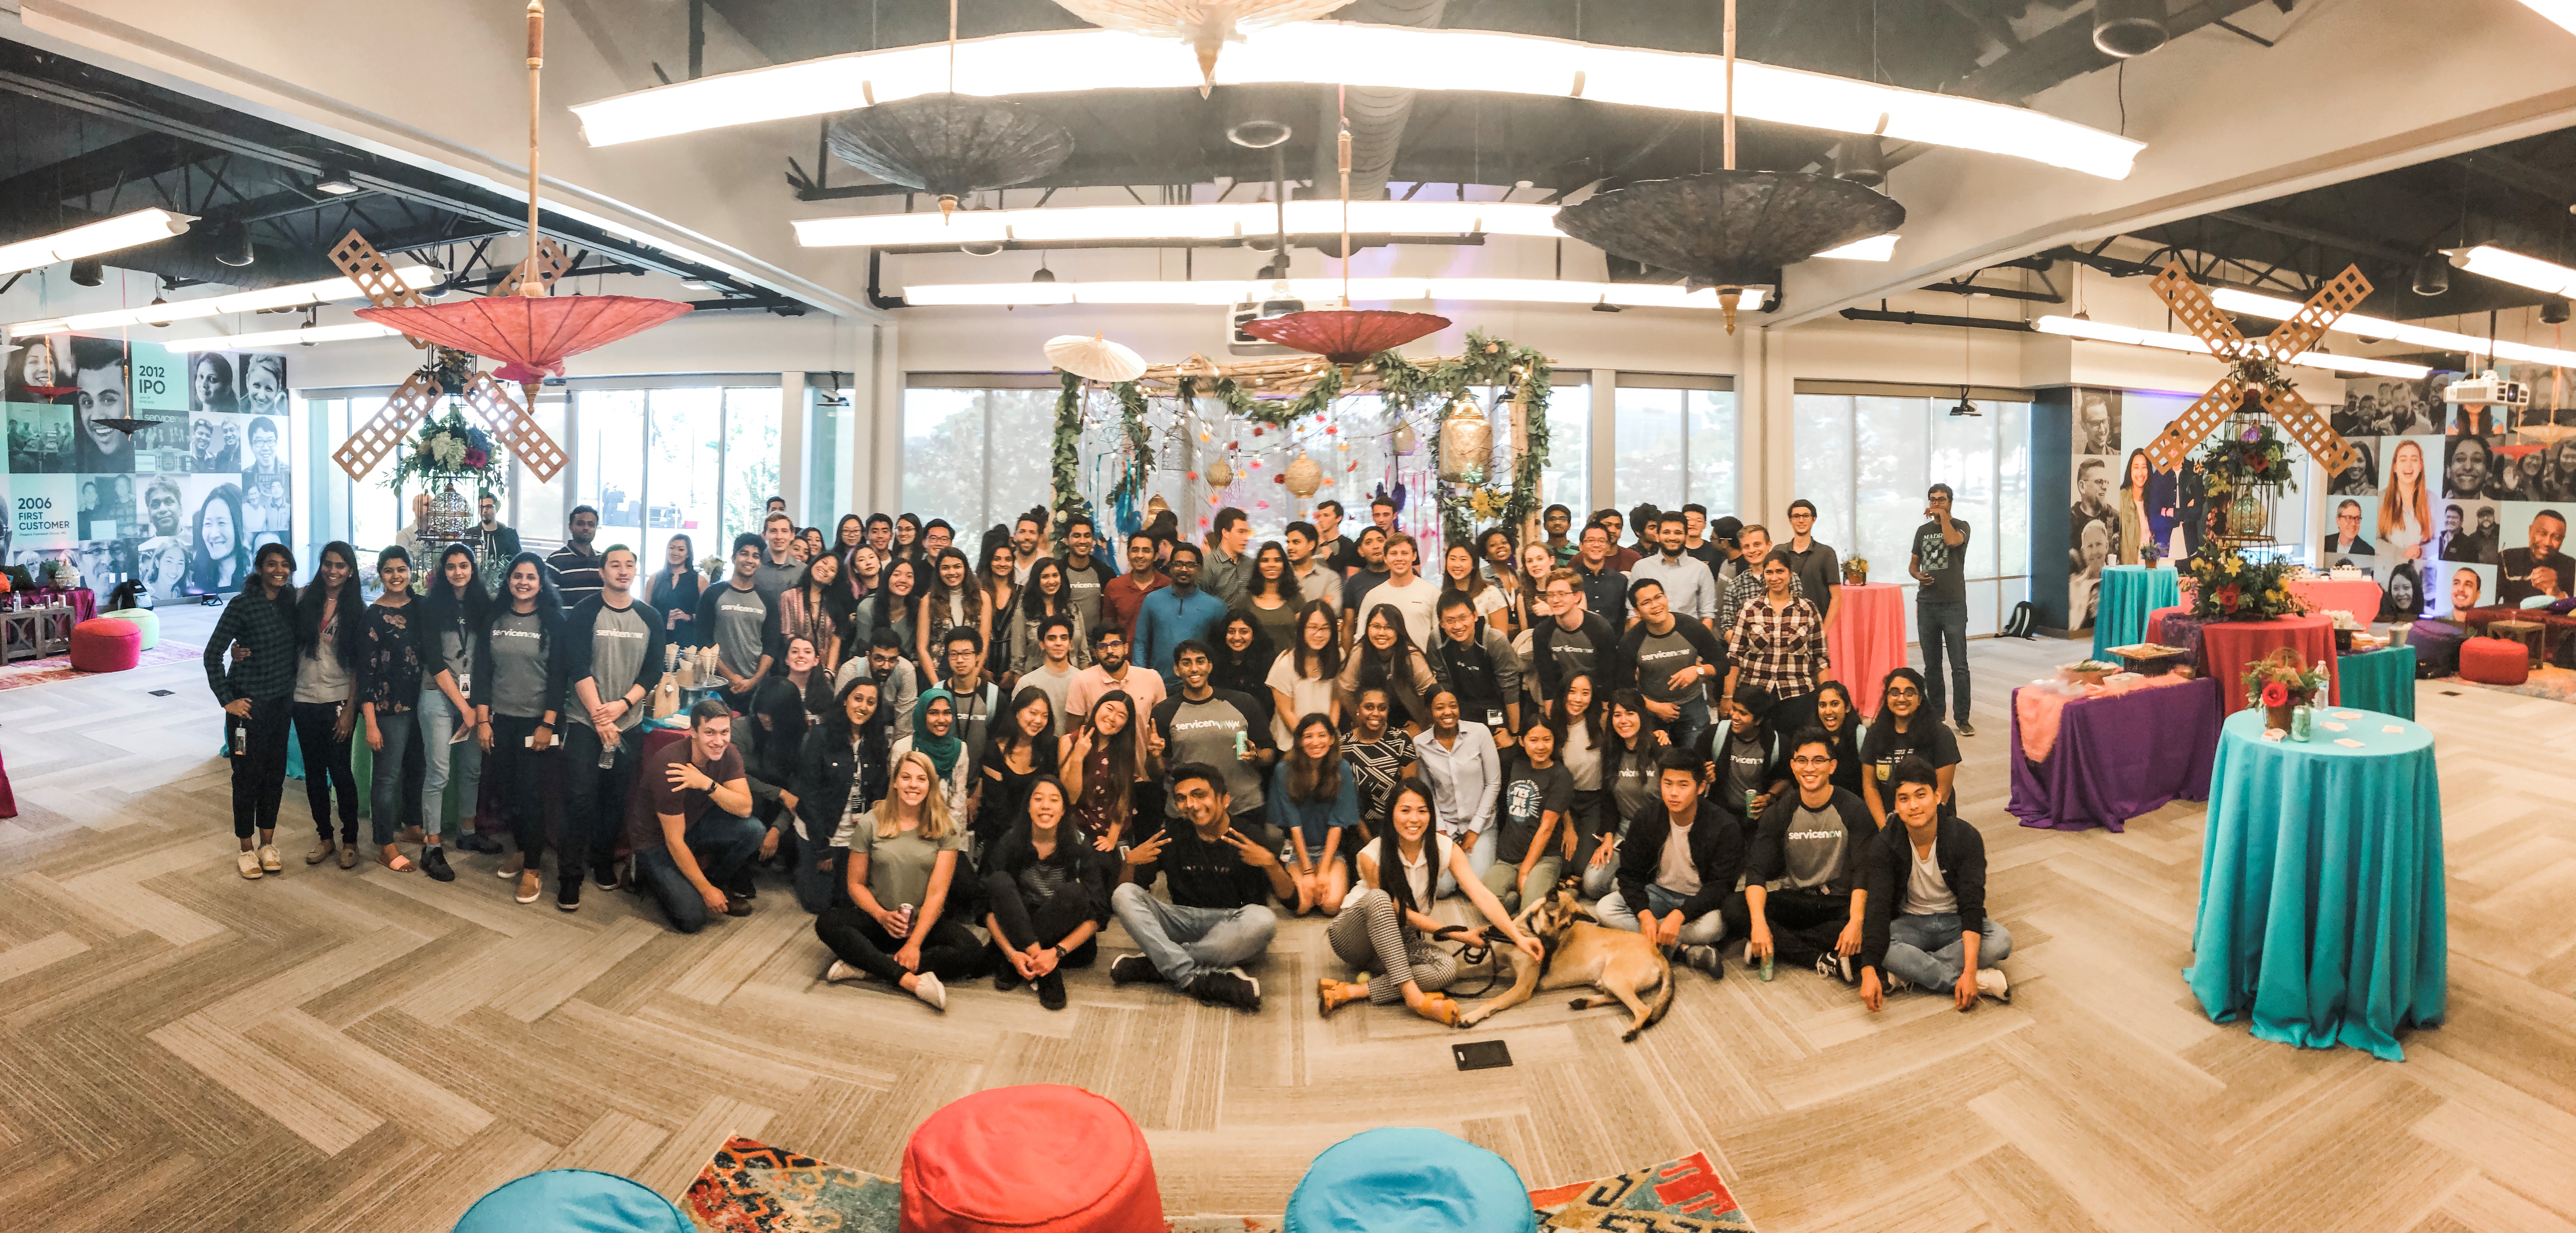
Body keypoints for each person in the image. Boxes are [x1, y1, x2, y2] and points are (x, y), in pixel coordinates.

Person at [1317, 779, 1547, 1026]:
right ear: (1392, 814)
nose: (1413, 819)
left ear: (1431, 815)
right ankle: (1415, 1000)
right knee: (1380, 898)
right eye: (1405, 810)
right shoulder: (1371, 855)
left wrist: (1517, 938)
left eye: (1422, 811)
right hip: (1353, 938)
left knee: (1447, 969)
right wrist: (1460, 935)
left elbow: (1482, 895)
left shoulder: (1444, 848)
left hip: (1398, 939)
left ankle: (1350, 992)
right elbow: (1398, 912)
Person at [1108, 762, 1286, 1010]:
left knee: (1264, 921)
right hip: (1182, 920)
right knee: (1122, 895)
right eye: (1182, 799)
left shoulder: (1249, 835)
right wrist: (1130, 864)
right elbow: (1128, 895)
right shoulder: (1171, 834)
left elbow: (1294, 901)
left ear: (1225, 800)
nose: (1191, 805)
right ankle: (1193, 977)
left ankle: (1160, 963)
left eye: (1199, 795)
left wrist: (1271, 864)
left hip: (1233, 925)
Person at [816, 750, 985, 1010]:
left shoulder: (946, 828)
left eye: (921, 779)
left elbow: (937, 895)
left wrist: (915, 943)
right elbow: (855, 885)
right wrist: (882, 916)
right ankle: (909, 980)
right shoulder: (871, 822)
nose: (913, 785)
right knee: (827, 922)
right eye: (906, 777)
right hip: (879, 920)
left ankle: (869, 968)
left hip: (923, 925)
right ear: (895, 782)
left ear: (930, 785)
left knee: (973, 951)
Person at [559, 544, 665, 911]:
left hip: (629, 722)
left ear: (636, 571)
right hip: (584, 722)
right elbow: (576, 665)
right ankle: (570, 877)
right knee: (580, 799)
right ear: (602, 571)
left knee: (614, 799)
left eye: (629, 565)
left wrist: (621, 706)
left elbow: (653, 670)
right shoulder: (585, 612)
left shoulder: (650, 617)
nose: (623, 571)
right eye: (615, 565)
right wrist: (600, 717)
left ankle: (602, 862)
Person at [1858, 756, 2010, 1010]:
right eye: (1904, 799)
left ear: (1938, 796)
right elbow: (1878, 907)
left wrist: (1969, 969)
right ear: (1895, 805)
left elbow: (1973, 906)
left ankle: (1907, 973)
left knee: (2001, 940)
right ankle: (1972, 982)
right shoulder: (1886, 844)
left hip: (1955, 922)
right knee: (1878, 945)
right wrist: (1868, 972)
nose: (1914, 806)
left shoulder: (1965, 837)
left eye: (1921, 795)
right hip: (1910, 924)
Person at [1726, 727, 1878, 982]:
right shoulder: (1781, 811)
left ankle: (1778, 947)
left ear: (1832, 767)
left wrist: (1856, 921)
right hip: (1798, 900)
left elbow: (1865, 871)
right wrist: (1759, 922)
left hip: (1839, 903)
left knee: (1874, 919)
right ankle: (1823, 959)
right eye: (1802, 761)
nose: (1810, 768)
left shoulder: (1854, 809)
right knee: (1735, 908)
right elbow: (1757, 870)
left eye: (1819, 761)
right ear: (1793, 766)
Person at [1597, 750, 1741, 976]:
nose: (1674, 793)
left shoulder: (1724, 826)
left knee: (1713, 927)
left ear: (1701, 787)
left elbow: (1721, 886)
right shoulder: (1647, 818)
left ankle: (1648, 939)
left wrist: (1680, 916)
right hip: (1659, 892)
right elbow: (1630, 875)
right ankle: (1681, 950)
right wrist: (1644, 914)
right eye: (1668, 784)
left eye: (1683, 785)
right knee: (1605, 908)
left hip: (1699, 900)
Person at [206, 543, 300, 879]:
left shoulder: (292, 603)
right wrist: (227, 699)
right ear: (259, 569)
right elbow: (212, 653)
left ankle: (268, 845)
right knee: (246, 777)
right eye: (272, 564)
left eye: (285, 564)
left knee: (274, 776)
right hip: (246, 709)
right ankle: (246, 849)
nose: (279, 570)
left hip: (280, 704)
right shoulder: (242, 605)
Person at [475, 552, 565, 903]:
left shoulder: (554, 621)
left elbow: (559, 678)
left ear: (541, 583)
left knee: (530, 794)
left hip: (537, 723)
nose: (524, 582)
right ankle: (525, 849)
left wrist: (548, 723)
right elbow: (483, 671)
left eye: (531, 577)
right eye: (518, 576)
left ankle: (533, 868)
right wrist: (483, 720)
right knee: (509, 791)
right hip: (500, 721)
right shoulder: (495, 618)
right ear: (509, 581)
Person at [979, 776, 1108, 1011]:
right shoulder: (1010, 842)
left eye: (1054, 800)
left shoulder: (1079, 845)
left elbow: (1098, 915)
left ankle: (1037, 963)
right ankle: (1046, 972)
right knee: (999, 881)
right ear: (1028, 808)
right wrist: (1011, 954)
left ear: (1063, 810)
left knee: (1076, 892)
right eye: (1038, 799)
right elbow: (988, 907)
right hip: (1020, 923)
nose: (1046, 806)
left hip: (1066, 940)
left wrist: (1057, 954)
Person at [634, 700, 764, 932]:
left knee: (754, 830)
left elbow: (745, 808)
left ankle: (712, 883)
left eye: (725, 732)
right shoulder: (670, 765)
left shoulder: (729, 752)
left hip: (693, 826)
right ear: (693, 732)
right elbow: (674, 841)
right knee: (693, 919)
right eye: (710, 733)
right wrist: (705, 892)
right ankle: (643, 872)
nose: (719, 741)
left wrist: (707, 784)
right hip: (656, 842)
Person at [415, 544, 491, 881]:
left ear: (473, 569)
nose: (458, 572)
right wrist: (464, 708)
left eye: (464, 566)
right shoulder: (432, 607)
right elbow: (435, 661)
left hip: (474, 701)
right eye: (450, 567)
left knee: (473, 769)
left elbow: (487, 660)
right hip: (438, 696)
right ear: (442, 572)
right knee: (439, 773)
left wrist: (477, 707)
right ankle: (431, 847)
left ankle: (468, 833)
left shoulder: (483, 606)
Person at [1153, 640, 1278, 837]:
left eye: (1200, 661)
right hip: (1189, 811)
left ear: (1210, 666)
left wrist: (1257, 757)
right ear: (1177, 670)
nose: (1194, 669)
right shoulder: (1164, 712)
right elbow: (1156, 773)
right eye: (1186, 663)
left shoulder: (1243, 702)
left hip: (1243, 807)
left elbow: (1270, 753)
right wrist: (1154, 757)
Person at [290, 542, 364, 869]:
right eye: (328, 564)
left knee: (341, 773)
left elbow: (359, 667)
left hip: (338, 701)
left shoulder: (357, 610)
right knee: (315, 774)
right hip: (303, 699)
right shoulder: (303, 600)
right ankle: (325, 837)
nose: (333, 571)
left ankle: (351, 840)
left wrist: (350, 709)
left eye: (340, 566)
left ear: (350, 571)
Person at [794, 676, 889, 914]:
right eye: (858, 699)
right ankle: (802, 866)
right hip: (821, 832)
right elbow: (811, 795)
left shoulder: (877, 741)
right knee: (819, 906)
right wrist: (822, 848)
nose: (863, 707)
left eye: (871, 702)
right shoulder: (821, 736)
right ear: (845, 700)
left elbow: (879, 794)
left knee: (849, 902)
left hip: (855, 834)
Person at [358, 547, 426, 874]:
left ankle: (412, 825)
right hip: (388, 709)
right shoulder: (373, 616)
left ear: (411, 572)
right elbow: (366, 674)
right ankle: (385, 845)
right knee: (386, 778)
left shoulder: (421, 608)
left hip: (424, 705)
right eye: (389, 571)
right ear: (381, 575)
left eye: (402, 569)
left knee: (418, 768)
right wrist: (371, 724)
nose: (396, 576)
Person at [1614, 577, 1730, 753]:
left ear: (1666, 598)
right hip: (1650, 709)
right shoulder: (1631, 641)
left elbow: (1723, 664)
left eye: (1659, 597)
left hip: (1693, 705)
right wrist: (1655, 707)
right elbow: (1624, 689)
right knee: (1653, 763)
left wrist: (1698, 670)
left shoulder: (1691, 627)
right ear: (1637, 612)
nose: (1655, 605)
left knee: (1694, 760)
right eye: (1647, 602)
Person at [1726, 550, 1831, 730]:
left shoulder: (1807, 609)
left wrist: (1827, 697)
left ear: (1790, 574)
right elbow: (1736, 656)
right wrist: (1728, 697)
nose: (1775, 578)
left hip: (1798, 693)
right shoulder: (1750, 608)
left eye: (1780, 571)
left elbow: (1820, 658)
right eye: (1769, 572)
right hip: (1754, 694)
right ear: (1764, 575)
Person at [1269, 713, 1360, 916]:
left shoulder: (1342, 768)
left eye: (1322, 735)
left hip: (1332, 851)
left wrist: (1325, 871)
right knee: (1302, 907)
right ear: (1300, 742)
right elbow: (1293, 822)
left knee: (1330, 906)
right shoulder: (1284, 770)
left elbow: (1338, 823)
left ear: (1332, 739)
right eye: (1309, 736)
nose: (1316, 742)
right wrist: (1309, 871)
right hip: (1296, 850)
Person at [1412, 688, 1500, 898]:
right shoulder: (1421, 744)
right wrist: (1441, 831)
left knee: (1476, 889)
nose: (1448, 712)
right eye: (1440, 707)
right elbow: (1427, 793)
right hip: (1447, 826)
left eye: (1453, 705)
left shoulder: (1480, 733)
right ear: (1431, 712)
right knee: (1442, 890)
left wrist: (1475, 830)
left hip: (1481, 825)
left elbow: (1494, 783)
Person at [1483, 719, 1573, 914]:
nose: (1541, 746)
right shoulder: (1514, 765)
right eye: (1534, 740)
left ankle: (1549, 892)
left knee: (1531, 913)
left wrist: (1525, 871)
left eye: (1547, 740)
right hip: (1509, 857)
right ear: (1523, 742)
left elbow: (1547, 828)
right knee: (1487, 906)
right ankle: (1531, 894)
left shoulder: (1561, 775)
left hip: (1544, 858)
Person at [1583, 689, 1666, 899]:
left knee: (1617, 890)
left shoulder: (1661, 749)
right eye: (1618, 715)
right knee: (1592, 885)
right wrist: (1608, 839)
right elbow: (1608, 802)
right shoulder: (1611, 751)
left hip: (1657, 834)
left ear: (1642, 716)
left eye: (1631, 713)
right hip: (1624, 831)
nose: (1623, 721)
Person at [1908, 484, 1974, 735]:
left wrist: (1943, 517)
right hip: (1927, 605)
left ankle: (1963, 718)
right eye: (1933, 500)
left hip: (1954, 605)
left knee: (1959, 664)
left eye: (1942, 500)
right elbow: (1913, 565)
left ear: (1951, 502)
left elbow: (1951, 540)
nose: (1936, 504)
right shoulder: (1922, 531)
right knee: (1932, 666)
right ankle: (1937, 715)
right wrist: (1918, 576)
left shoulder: (1962, 526)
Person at [1858, 667, 1961, 826]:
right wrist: (1885, 829)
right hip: (1888, 822)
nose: (1901, 698)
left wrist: (1917, 829)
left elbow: (1942, 792)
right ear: (1887, 698)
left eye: (1909, 692)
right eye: (1894, 692)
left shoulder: (1941, 734)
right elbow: (1870, 786)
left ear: (1920, 699)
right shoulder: (1875, 734)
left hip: (1931, 821)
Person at [973, 686, 1063, 860]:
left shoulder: (1051, 748)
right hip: (1001, 835)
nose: (1039, 721)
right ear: (1016, 713)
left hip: (1042, 832)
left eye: (1045, 716)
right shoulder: (993, 750)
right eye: (1033, 713)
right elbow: (997, 806)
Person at [698, 534, 780, 710]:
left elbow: (772, 645)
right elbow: (704, 641)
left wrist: (755, 680)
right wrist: (730, 677)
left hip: (756, 687)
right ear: (734, 558)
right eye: (744, 554)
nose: (750, 560)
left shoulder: (767, 600)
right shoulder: (713, 594)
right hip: (717, 685)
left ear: (760, 563)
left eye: (756, 556)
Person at [1431, 593, 1524, 747]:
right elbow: (1443, 684)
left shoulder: (1495, 640)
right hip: (1462, 709)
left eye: (1463, 618)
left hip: (1496, 707)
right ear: (1441, 623)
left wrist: (1513, 733)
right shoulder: (1437, 640)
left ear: (1475, 615)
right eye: (1450, 621)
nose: (1458, 626)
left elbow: (1511, 690)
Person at [1134, 542, 1229, 689]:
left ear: (1200, 570)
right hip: (1159, 686)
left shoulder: (1216, 607)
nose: (1184, 569)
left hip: (1200, 686)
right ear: (1171, 567)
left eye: (1191, 565)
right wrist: (1140, 679)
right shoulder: (1152, 601)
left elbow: (1222, 652)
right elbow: (1141, 643)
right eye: (1178, 564)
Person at [1530, 567, 1618, 722]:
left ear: (1577, 597)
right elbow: (1547, 679)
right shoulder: (1542, 632)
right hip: (1562, 696)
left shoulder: (1600, 629)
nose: (1556, 600)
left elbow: (1608, 676)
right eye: (1551, 595)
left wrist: (1605, 714)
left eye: (1562, 594)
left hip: (1595, 697)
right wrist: (1552, 718)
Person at [1338, 603, 1442, 731]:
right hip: (1370, 719)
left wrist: (1422, 725)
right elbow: (1345, 690)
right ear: (1367, 629)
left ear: (1399, 631)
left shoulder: (1411, 657)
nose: (1381, 633)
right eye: (1376, 627)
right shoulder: (1360, 653)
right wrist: (1357, 717)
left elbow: (1433, 694)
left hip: (1406, 721)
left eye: (1389, 628)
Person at [1712, 683, 1790, 832]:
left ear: (1759, 720)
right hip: (1722, 818)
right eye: (1734, 709)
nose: (1735, 717)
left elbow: (1785, 778)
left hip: (1760, 822)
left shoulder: (1778, 743)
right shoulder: (1716, 735)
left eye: (1743, 713)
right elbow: (1695, 766)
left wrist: (1769, 797)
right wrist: (1705, 774)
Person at [1266, 600, 1342, 747]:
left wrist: (1326, 738)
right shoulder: (1285, 663)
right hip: (1292, 744)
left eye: (1325, 628)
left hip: (1326, 743)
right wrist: (1311, 742)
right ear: (1302, 630)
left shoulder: (1340, 657)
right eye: (1312, 628)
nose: (1319, 634)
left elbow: (1336, 701)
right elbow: (1286, 712)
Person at [896, 688, 979, 822]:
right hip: (909, 823)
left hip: (946, 825)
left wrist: (952, 837)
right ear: (922, 715)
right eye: (933, 713)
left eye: (947, 713)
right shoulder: (903, 748)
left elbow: (959, 799)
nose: (941, 720)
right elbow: (897, 796)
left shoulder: (960, 749)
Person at [1067, 623, 1166, 727]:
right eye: (1103, 646)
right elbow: (1073, 731)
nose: (1110, 651)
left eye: (1116, 645)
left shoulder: (1152, 679)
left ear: (1126, 648)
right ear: (1095, 653)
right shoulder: (1082, 681)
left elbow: (1163, 723)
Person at [1628, 512, 1718, 626]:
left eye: (1678, 533)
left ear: (1686, 536)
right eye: (1666, 533)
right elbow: (1634, 613)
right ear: (1658, 536)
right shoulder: (1641, 567)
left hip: (1689, 637)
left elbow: (1708, 615)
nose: (1672, 538)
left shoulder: (1701, 569)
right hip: (1650, 637)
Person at [1010, 558, 1091, 685]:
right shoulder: (1025, 612)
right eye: (1045, 577)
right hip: (1035, 684)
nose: (1051, 581)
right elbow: (1018, 662)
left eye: (1055, 576)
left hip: (1073, 682)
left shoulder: (1073, 610)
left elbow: (1084, 656)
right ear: (1037, 581)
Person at [1716, 524, 1800, 642]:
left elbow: (1799, 617)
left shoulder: (1790, 579)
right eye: (1746, 546)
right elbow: (1728, 627)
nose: (1752, 551)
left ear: (1769, 545)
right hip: (1752, 656)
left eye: (1757, 544)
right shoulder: (1734, 586)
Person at [933, 629, 1005, 767]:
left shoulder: (994, 696)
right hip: (941, 773)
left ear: (978, 656)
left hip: (980, 779)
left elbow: (998, 744)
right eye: (954, 654)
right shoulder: (937, 692)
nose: (960, 660)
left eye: (967, 654)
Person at [1356, 533, 1440, 650]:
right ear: (1386, 558)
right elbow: (1361, 638)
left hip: (1422, 664)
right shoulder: (1373, 596)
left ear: (1414, 556)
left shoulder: (1432, 593)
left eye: (1405, 553)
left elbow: (1439, 637)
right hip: (1383, 665)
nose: (1399, 559)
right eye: (1394, 554)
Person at [917, 547, 988, 670]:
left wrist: (972, 677)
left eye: (957, 567)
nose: (952, 572)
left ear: (966, 569)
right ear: (939, 571)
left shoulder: (982, 598)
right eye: (945, 568)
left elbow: (984, 644)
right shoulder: (928, 600)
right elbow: (922, 648)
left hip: (972, 669)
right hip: (937, 670)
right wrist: (937, 686)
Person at [69, 339, 133, 473]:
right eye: (87, 402)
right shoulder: (75, 461)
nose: (96, 417)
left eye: (108, 400)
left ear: (132, 401)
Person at [1780, 499, 1843, 629]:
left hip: (1815, 628)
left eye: (1806, 516)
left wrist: (1824, 632)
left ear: (1814, 519)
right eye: (1796, 516)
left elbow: (1836, 598)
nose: (1801, 520)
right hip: (1783, 627)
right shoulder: (1780, 552)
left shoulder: (1826, 553)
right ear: (1790, 520)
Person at [778, 554, 846, 671]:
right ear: (813, 564)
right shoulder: (789, 596)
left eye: (832, 570)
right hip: (798, 664)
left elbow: (836, 640)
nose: (825, 569)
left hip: (826, 668)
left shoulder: (835, 603)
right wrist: (804, 661)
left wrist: (829, 671)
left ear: (833, 580)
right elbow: (789, 635)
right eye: (824, 563)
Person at [1209, 612, 1277, 726]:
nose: (1237, 637)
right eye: (1231, 632)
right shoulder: (1213, 663)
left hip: (1259, 723)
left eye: (1244, 632)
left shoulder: (1268, 663)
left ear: (1254, 635)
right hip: (1221, 724)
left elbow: (1269, 704)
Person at [1099, 530, 1167, 642]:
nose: (1140, 556)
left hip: (1159, 657)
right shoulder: (1115, 586)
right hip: (1125, 658)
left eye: (1146, 551)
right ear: (1128, 554)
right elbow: (1108, 629)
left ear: (1156, 556)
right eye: (1135, 550)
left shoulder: (1168, 586)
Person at [1236, 541, 1303, 652]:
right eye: (1265, 560)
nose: (1271, 565)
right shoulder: (1245, 601)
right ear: (1258, 565)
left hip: (1288, 665)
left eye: (1277, 560)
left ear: (1284, 565)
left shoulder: (1296, 599)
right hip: (1254, 665)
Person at [185, 482, 251, 595]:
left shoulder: (255, 578)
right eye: (208, 524)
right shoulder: (196, 578)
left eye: (222, 523)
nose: (213, 534)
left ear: (239, 525)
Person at [2499, 509, 2573, 606]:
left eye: (2556, 538)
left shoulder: (2572, 567)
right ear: (2531, 532)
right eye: (2543, 533)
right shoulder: (2506, 559)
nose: (2547, 543)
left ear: (2562, 540)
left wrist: (2558, 593)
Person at [1057, 514, 1118, 630]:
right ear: (1067, 541)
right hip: (1064, 644)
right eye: (1076, 536)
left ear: (1093, 540)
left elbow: (1111, 613)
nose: (1083, 541)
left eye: (1087, 536)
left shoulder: (1106, 573)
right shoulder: (1057, 571)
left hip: (1097, 645)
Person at [2380, 439, 2432, 570]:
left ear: (2421, 466)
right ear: (2395, 467)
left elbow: (2440, 542)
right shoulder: (2381, 499)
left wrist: (2421, 552)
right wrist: (2402, 553)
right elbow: (2375, 541)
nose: (2409, 465)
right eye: (2403, 460)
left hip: (2421, 573)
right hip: (2390, 572)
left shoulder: (2432, 499)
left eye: (2414, 460)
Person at [858, 557, 919, 668]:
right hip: (868, 666)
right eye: (897, 575)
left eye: (909, 576)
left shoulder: (918, 608)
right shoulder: (867, 607)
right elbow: (864, 650)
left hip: (904, 668)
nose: (904, 580)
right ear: (887, 579)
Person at [1810, 681, 1866, 798]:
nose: (1828, 711)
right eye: (1823, 705)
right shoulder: (1811, 739)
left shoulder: (1860, 735)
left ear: (1847, 707)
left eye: (1835, 704)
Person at [646, 533, 702, 647]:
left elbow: (707, 615)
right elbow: (646, 611)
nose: (675, 553)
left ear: (688, 554)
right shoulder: (654, 579)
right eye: (672, 548)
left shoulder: (699, 581)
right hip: (658, 638)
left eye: (681, 550)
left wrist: (689, 617)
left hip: (688, 641)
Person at [1438, 542, 1508, 634]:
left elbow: (1501, 637)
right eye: (1452, 559)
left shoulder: (1490, 594)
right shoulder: (1442, 596)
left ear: (1474, 564)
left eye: (1463, 560)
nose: (1457, 565)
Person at [1569, 522, 1629, 626]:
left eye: (1602, 541)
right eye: (1591, 541)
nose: (1596, 545)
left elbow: (1625, 618)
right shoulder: (1570, 579)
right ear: (1581, 546)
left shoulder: (1621, 580)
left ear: (1608, 547)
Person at [549, 506, 605, 609]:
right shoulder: (555, 561)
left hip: (600, 624)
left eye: (591, 525)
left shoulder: (604, 561)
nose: (586, 528)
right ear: (571, 527)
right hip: (568, 623)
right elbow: (550, 600)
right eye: (581, 524)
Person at [977, 539, 1022, 663]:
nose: (1003, 564)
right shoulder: (978, 593)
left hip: (1013, 662)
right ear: (990, 562)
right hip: (982, 662)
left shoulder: (1022, 592)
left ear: (1013, 563)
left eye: (1008, 560)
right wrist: (980, 669)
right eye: (997, 559)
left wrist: (1014, 670)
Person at [1283, 521, 1344, 610]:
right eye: (1289, 543)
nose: (1290, 547)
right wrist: (1321, 605)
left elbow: (1334, 611)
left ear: (1311, 545)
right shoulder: (1281, 575)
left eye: (1296, 543)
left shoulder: (1330, 578)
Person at [2070, 458, 2118, 567]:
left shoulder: (2116, 519)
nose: (2105, 487)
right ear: (2083, 486)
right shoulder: (2069, 522)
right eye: (2099, 482)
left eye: (2106, 482)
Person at [1203, 507, 1254, 607]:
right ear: (1226, 533)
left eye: (1247, 533)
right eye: (1241, 532)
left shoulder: (1251, 564)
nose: (1246, 538)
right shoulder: (1208, 565)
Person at [753, 511, 802, 600]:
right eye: (773, 531)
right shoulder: (754, 567)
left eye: (784, 531)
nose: (779, 537)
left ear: (792, 536)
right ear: (764, 535)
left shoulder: (803, 571)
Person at [2322, 499, 2376, 575]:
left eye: (2357, 519)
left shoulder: (2368, 551)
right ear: (2338, 521)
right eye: (2349, 518)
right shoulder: (2324, 543)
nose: (2354, 524)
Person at [1311, 499, 1361, 574]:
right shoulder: (1312, 544)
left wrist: (1322, 540)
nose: (1321, 520)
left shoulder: (1346, 543)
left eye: (1326, 516)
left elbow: (1337, 567)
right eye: (1319, 516)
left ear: (1338, 518)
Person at [475, 493, 521, 567]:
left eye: (489, 507)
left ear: (497, 508)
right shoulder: (471, 535)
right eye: (481, 507)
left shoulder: (509, 535)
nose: (485, 511)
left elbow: (518, 563)